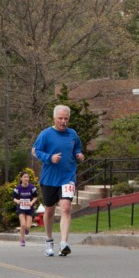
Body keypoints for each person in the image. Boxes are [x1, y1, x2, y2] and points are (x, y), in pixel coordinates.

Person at [32, 105, 85, 257]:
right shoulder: (46, 134)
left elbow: (77, 149)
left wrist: (79, 155)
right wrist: (50, 158)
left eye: (66, 119)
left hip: (67, 177)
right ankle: (49, 241)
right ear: (54, 118)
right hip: (49, 178)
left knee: (66, 208)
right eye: (60, 118)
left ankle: (64, 243)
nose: (63, 122)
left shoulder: (72, 134)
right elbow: (36, 151)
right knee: (49, 210)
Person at [12, 171, 39, 247]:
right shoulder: (17, 188)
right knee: (23, 224)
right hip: (21, 209)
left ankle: (26, 230)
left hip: (29, 209)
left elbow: (35, 197)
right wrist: (17, 201)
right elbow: (14, 198)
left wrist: (31, 202)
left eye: (27, 177)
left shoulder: (32, 187)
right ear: (21, 178)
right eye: (25, 177)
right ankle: (22, 240)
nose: (26, 178)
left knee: (28, 226)